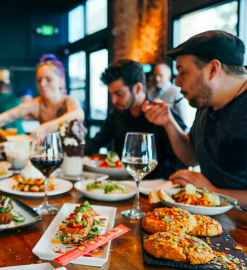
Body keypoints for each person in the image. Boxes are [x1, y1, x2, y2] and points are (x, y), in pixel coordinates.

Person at [143, 30, 247, 207]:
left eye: (182, 73)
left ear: (213, 69)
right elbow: (192, 157)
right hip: (211, 218)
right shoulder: (206, 101)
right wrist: (168, 122)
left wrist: (212, 191)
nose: (176, 82)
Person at [85, 59, 187, 179]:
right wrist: (72, 149)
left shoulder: (162, 114)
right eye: (111, 94)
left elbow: (181, 161)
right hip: (123, 185)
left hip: (155, 189)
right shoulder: (117, 115)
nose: (113, 101)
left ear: (138, 88)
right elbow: (96, 143)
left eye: (119, 94)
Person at [0, 54, 84, 139]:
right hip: (50, 157)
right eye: (39, 80)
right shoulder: (37, 104)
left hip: (73, 158)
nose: (42, 84)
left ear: (61, 81)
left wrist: (44, 128)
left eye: (48, 79)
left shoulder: (68, 101)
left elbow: (78, 115)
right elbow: (6, 117)